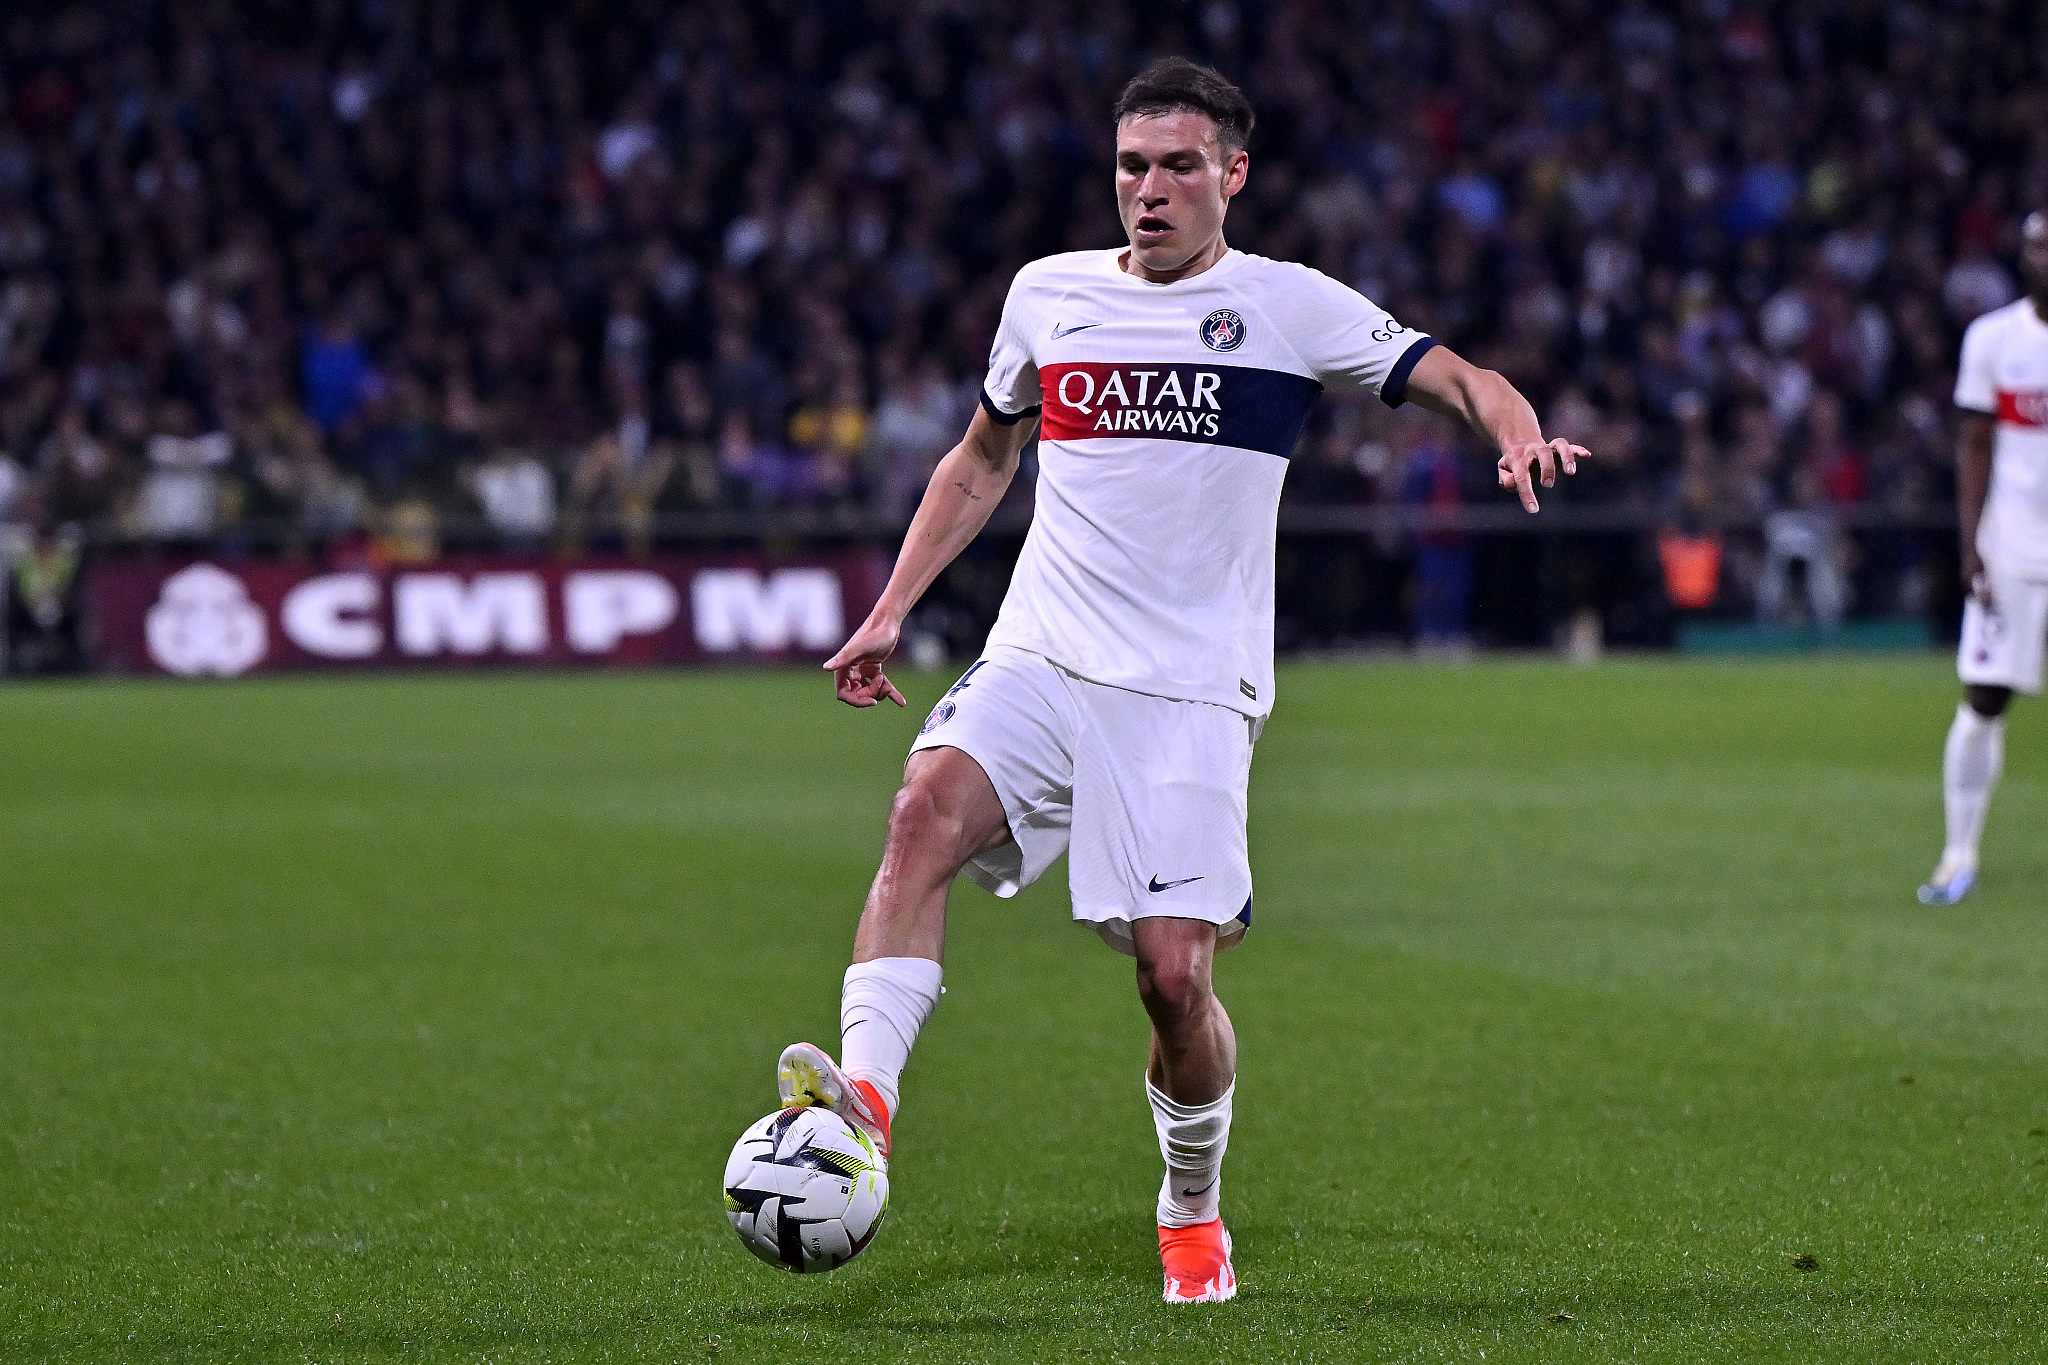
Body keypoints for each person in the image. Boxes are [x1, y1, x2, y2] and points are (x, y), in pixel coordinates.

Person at [771, 58, 1589, 1304]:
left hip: (1190, 692)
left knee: (1172, 976)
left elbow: (1456, 375)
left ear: (1231, 176)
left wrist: (1512, 425)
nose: (1146, 192)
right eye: (1128, 168)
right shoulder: (1047, 296)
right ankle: (862, 1113)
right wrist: (889, 612)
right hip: (1043, 651)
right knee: (920, 810)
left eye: (1175, 168)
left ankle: (1189, 1204)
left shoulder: (1287, 307)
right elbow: (981, 461)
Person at [1920, 210, 2048, 906]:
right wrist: (1971, 544)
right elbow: (1974, 447)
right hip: (2014, 547)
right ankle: (1957, 853)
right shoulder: (1994, 338)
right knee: (1985, 697)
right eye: (2037, 243)